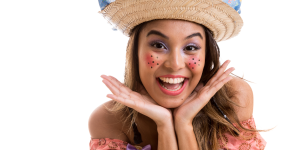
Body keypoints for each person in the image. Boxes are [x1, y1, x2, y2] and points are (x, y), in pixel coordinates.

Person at [89, 0, 267, 149]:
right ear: (134, 51)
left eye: (190, 48)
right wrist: (164, 124)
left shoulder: (233, 98)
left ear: (206, 55)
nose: (174, 64)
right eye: (158, 46)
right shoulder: (107, 120)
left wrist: (183, 124)